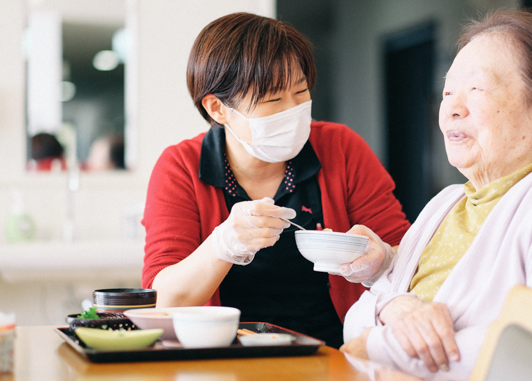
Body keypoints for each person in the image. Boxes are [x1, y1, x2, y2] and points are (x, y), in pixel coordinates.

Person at [341, 9, 532, 381]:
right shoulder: (447, 202)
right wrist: (393, 309)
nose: (451, 108)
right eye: (446, 92)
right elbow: (359, 316)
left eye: (477, 89)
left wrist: (377, 345)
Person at [141, 12, 410, 347]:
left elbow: (407, 255)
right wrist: (224, 244)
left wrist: (380, 258)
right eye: (273, 100)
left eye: (301, 92)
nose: (294, 110)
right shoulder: (180, 166)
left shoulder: (340, 148)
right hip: (224, 362)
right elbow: (163, 301)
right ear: (217, 108)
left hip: (335, 354)